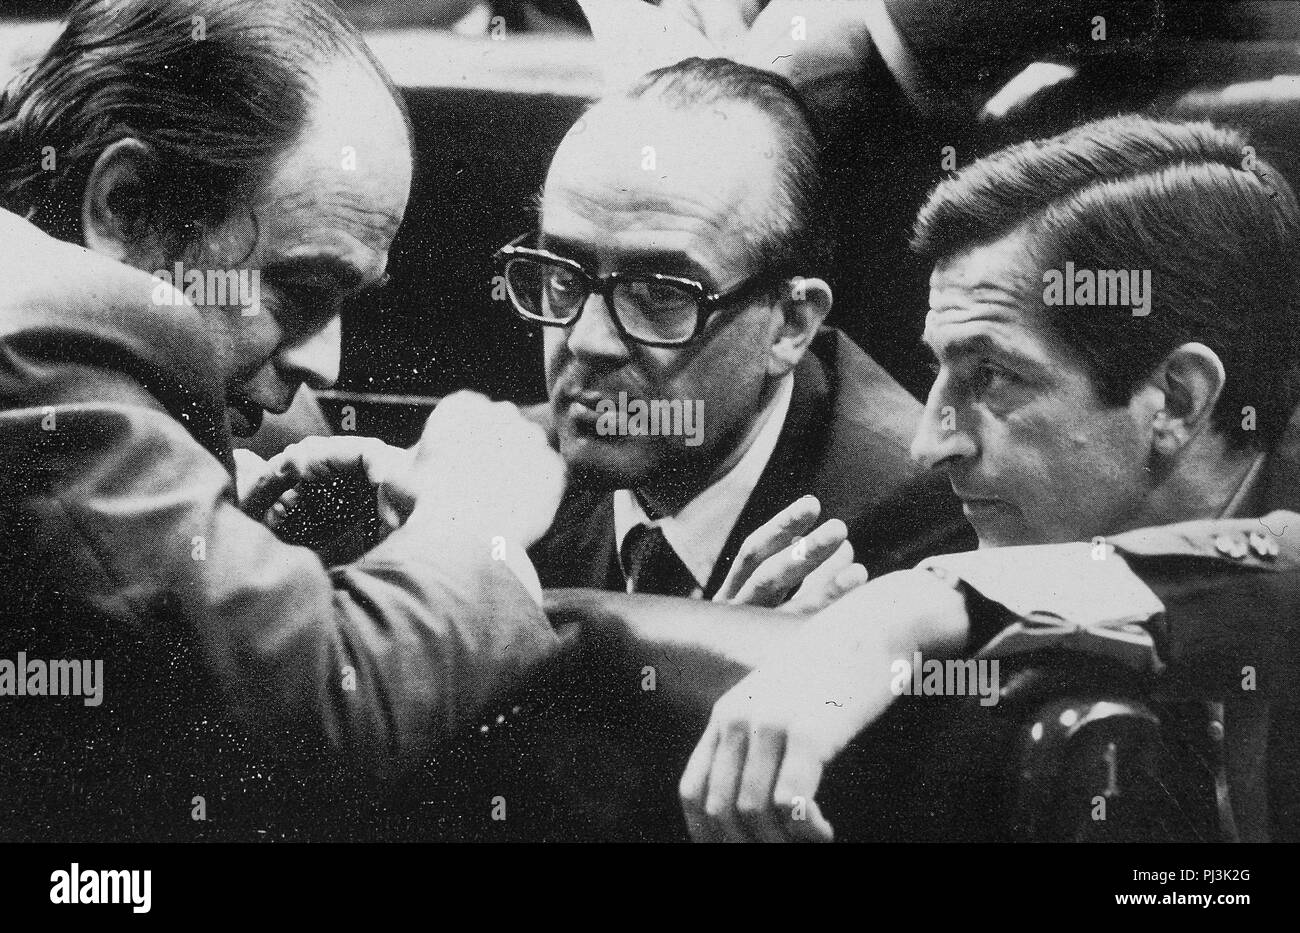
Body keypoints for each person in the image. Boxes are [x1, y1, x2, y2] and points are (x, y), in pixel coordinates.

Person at [0, 0, 564, 841]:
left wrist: (232, 542)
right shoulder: (39, 348)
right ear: (124, 207)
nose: (324, 366)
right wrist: (475, 517)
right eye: (298, 291)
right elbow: (325, 707)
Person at [679, 114, 1300, 842]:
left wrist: (912, 610)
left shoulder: (922, 588)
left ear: (1176, 399)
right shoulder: (907, 540)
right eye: (939, 370)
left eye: (994, 376)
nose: (925, 443)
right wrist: (720, 662)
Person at [523, 56, 972, 609]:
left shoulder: (918, 532)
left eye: (662, 294)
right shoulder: (511, 479)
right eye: (562, 278)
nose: (586, 340)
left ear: (789, 325)